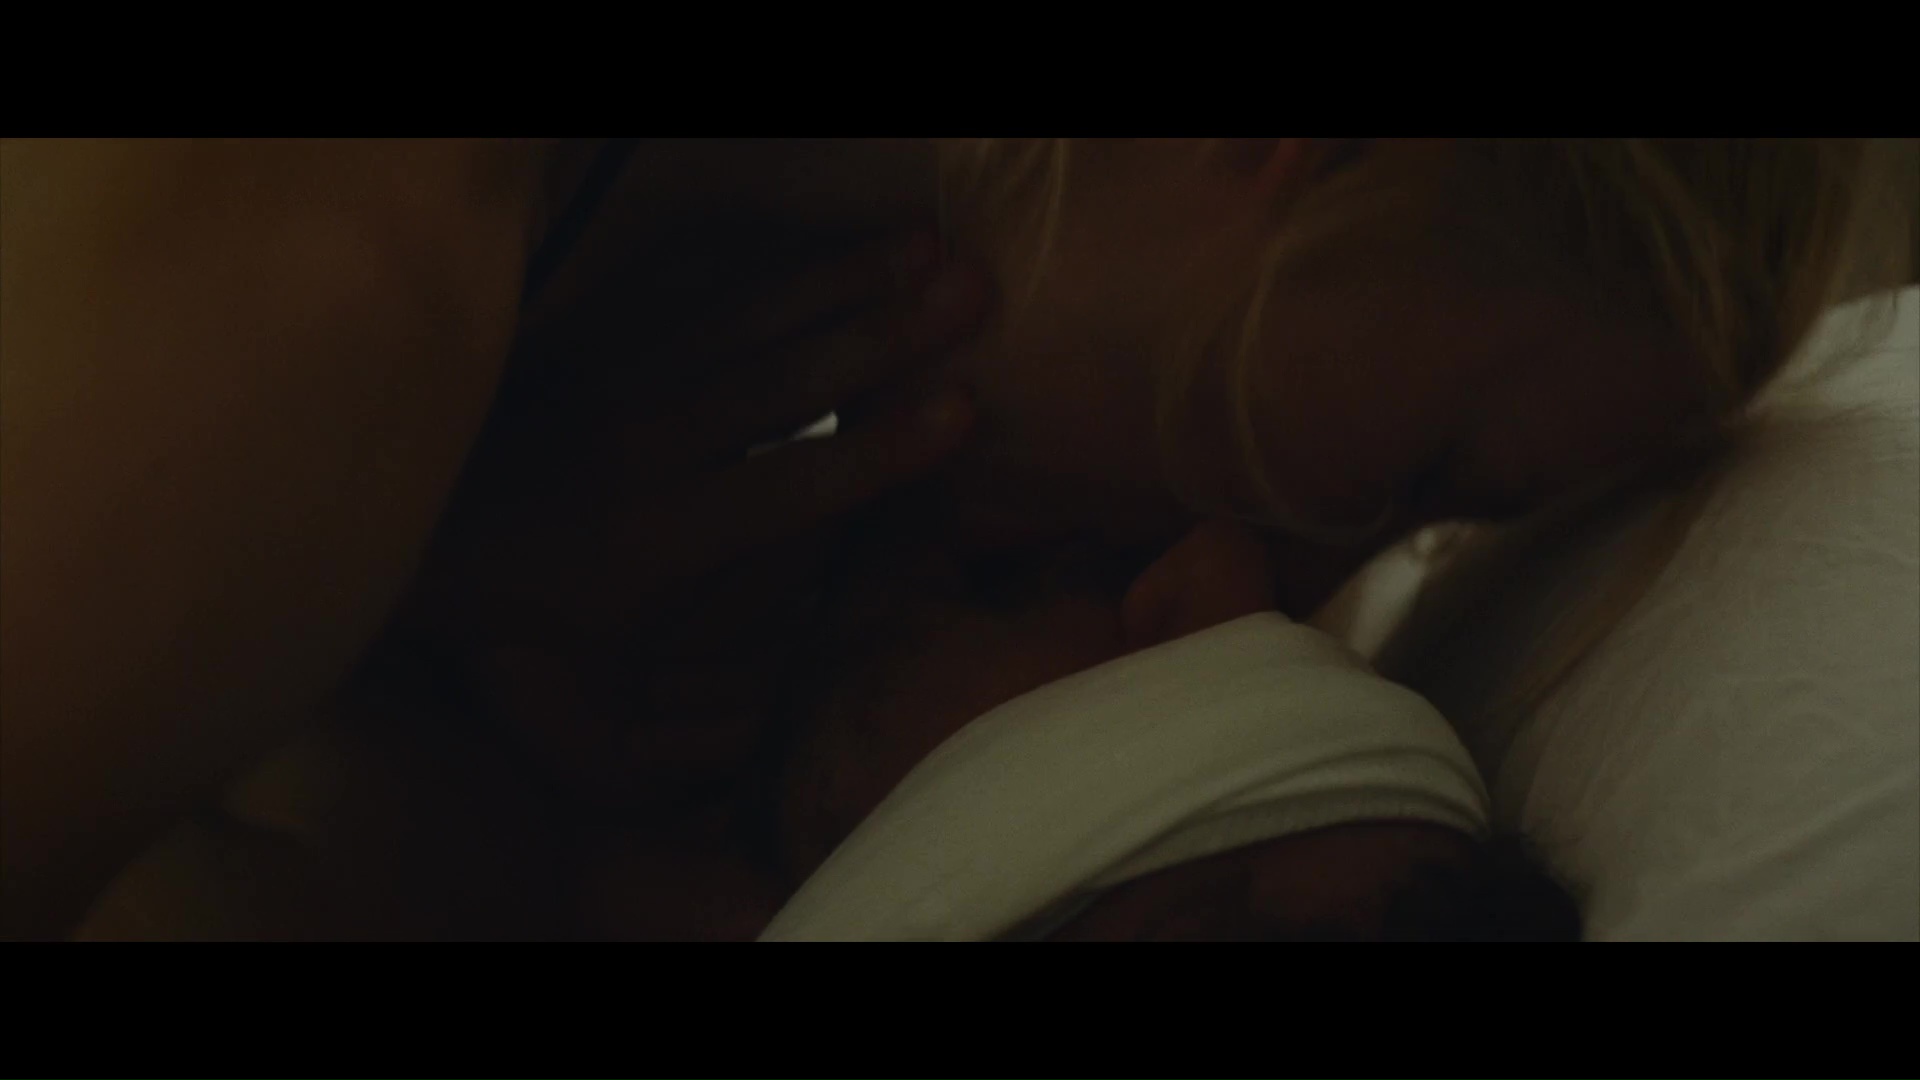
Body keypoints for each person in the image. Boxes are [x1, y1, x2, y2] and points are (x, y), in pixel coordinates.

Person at [8, 138, 1893, 939]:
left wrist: (426, 620)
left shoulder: (530, 413)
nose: (1261, 584)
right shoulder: (329, 268)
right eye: (1407, 472)